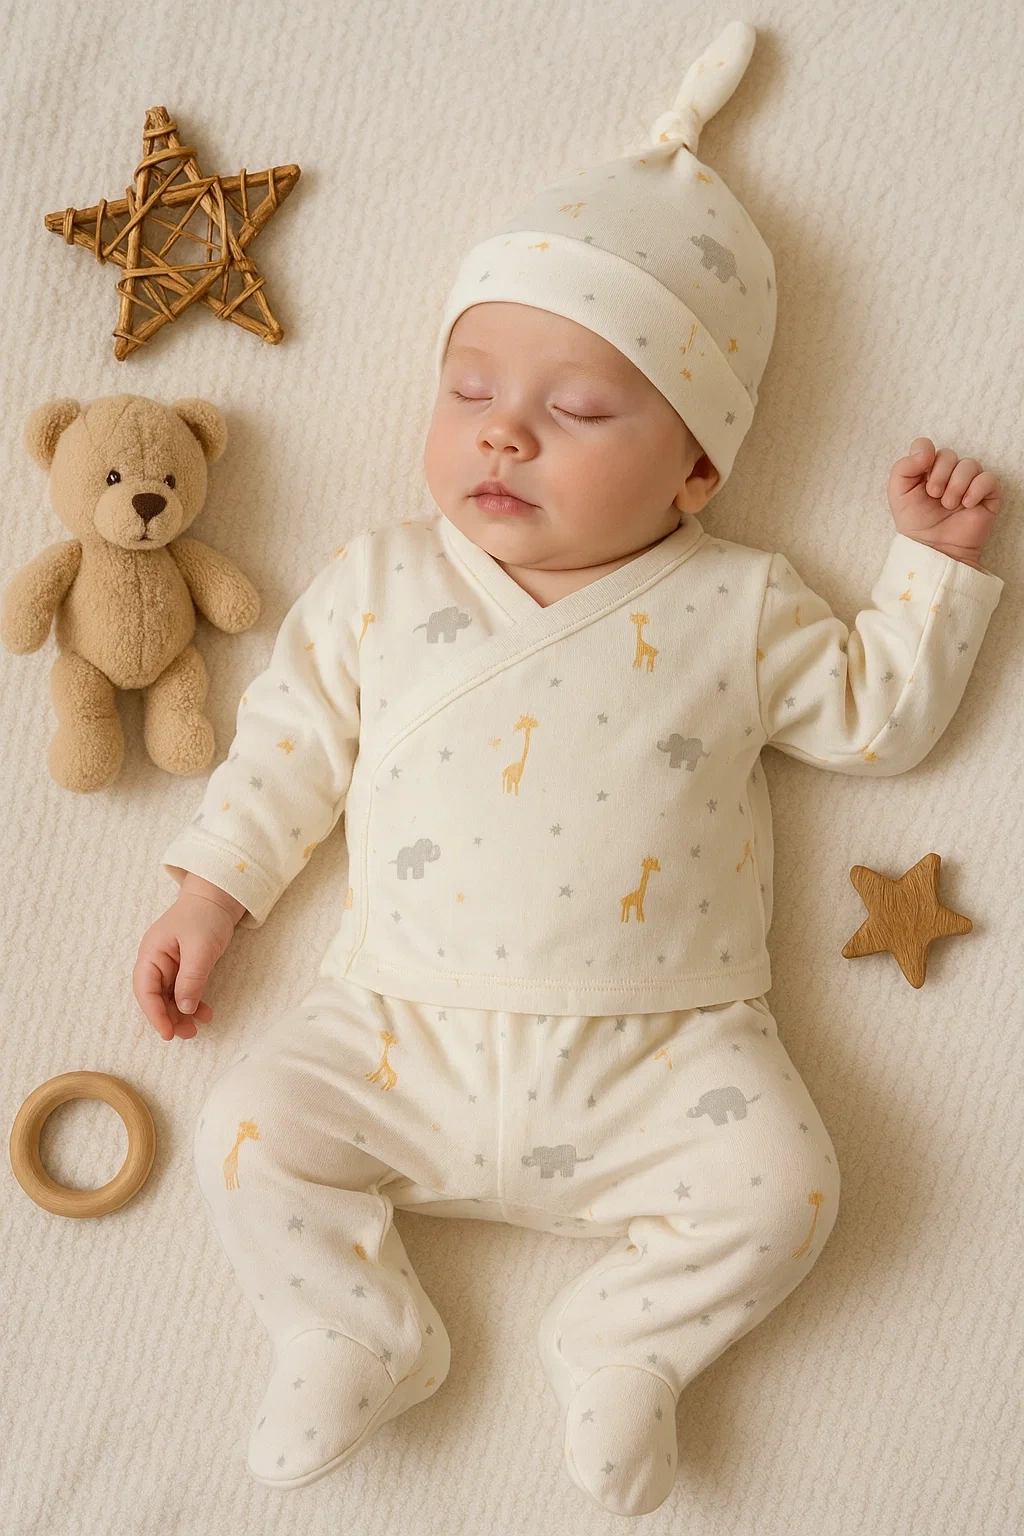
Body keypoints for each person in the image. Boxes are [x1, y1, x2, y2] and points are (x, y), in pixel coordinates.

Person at [133, 21, 1004, 1517]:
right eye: (468, 391)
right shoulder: (380, 580)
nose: (505, 436)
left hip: (665, 1054)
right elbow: (290, 744)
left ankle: (628, 1345)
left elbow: (877, 719)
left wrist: (931, 568)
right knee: (249, 1134)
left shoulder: (739, 603)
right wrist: (211, 893)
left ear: (698, 465)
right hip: (398, 1028)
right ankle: (351, 1326)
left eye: (580, 410)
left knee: (787, 1191)